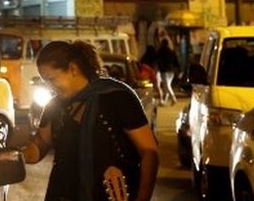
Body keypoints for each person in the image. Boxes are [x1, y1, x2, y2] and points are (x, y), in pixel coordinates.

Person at [22, 41, 159, 201]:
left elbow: (149, 152)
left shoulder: (118, 97)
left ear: (73, 69)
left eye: (51, 79)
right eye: (46, 82)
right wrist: (16, 156)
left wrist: (142, 198)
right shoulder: (54, 106)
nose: (50, 87)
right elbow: (41, 142)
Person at [156, 37, 179, 105]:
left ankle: (173, 98)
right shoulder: (171, 51)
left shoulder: (160, 51)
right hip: (171, 71)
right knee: (167, 85)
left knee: (167, 86)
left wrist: (159, 67)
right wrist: (178, 70)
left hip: (164, 71)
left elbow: (157, 59)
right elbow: (176, 62)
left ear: (162, 43)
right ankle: (165, 101)